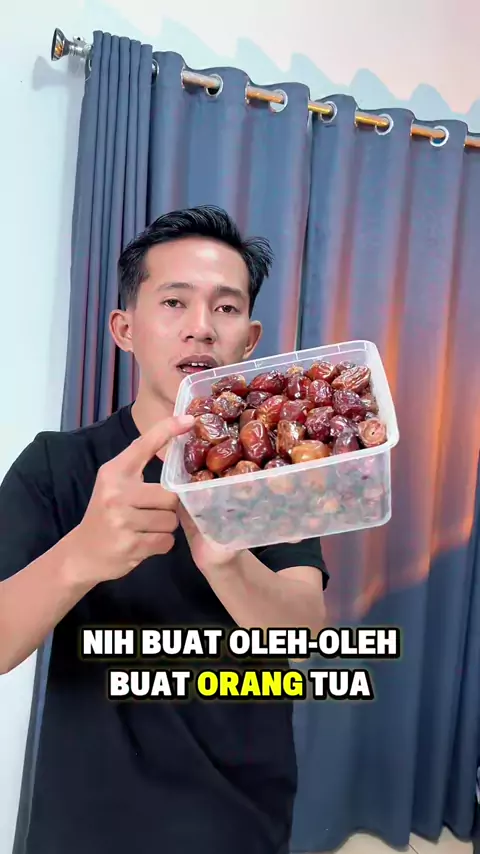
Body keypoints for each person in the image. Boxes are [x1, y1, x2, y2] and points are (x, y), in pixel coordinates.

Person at [0, 205, 329, 854]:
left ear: (249, 339)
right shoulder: (57, 465)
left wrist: (228, 563)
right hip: (84, 823)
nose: (201, 327)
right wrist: (81, 555)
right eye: (175, 302)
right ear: (125, 329)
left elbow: (301, 641)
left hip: (237, 820)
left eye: (226, 308)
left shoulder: (276, 468)